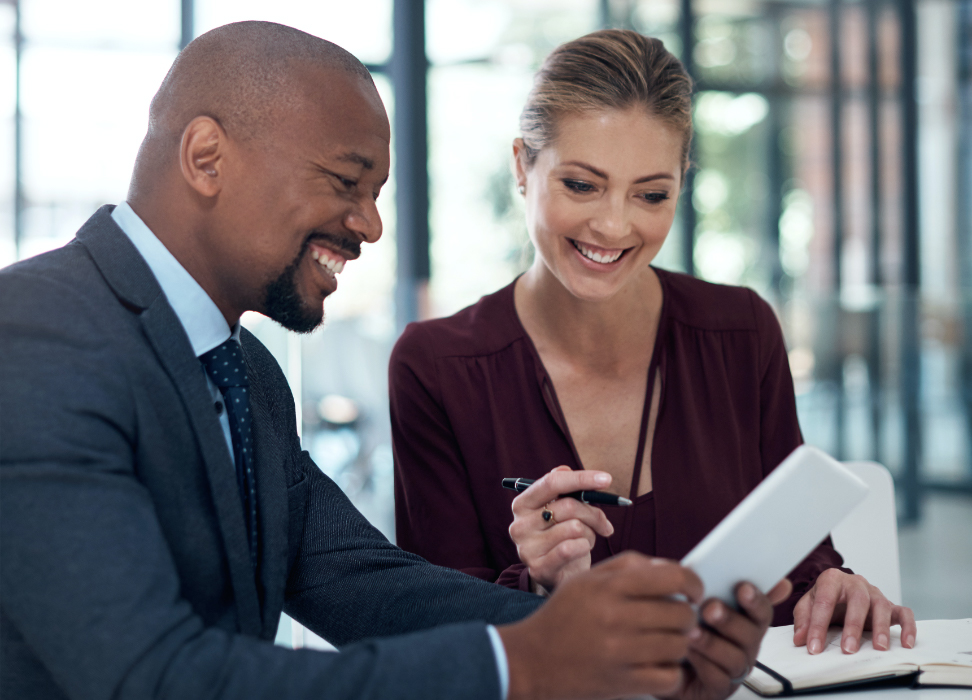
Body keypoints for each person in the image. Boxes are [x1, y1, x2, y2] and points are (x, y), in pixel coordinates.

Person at [0, 20, 766, 700]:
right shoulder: (33, 335)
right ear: (207, 156)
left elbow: (359, 581)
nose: (369, 225)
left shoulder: (248, 375)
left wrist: (625, 644)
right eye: (346, 182)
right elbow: (156, 678)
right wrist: (522, 666)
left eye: (376, 193)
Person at [391, 28, 916, 666]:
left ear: (681, 184)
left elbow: (797, 561)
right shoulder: (437, 368)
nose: (614, 225)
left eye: (651, 194)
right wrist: (536, 585)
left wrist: (835, 586)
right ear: (522, 166)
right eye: (582, 185)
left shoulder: (741, 332)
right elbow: (433, 635)